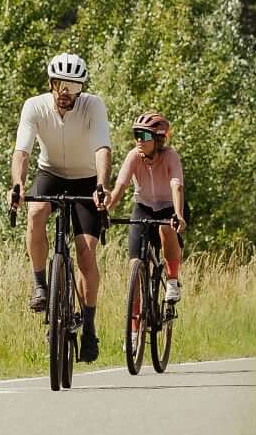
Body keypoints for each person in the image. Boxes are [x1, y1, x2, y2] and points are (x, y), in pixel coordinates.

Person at [10, 51, 112, 360]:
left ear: (81, 87)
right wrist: (17, 185)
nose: (67, 92)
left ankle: (90, 328)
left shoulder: (92, 105)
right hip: (50, 173)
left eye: (74, 86)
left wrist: (102, 185)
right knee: (36, 211)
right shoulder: (35, 106)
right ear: (52, 83)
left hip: (86, 179)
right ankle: (40, 284)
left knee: (85, 252)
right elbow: (22, 151)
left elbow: (102, 148)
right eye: (61, 85)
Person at [109, 110, 188, 305]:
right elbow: (120, 186)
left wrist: (178, 215)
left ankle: (171, 280)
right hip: (143, 207)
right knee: (135, 265)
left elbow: (176, 185)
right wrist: (105, 211)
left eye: (144, 136)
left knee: (166, 228)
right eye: (136, 135)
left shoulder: (170, 156)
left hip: (170, 206)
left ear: (158, 140)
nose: (139, 140)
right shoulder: (133, 156)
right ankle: (135, 330)